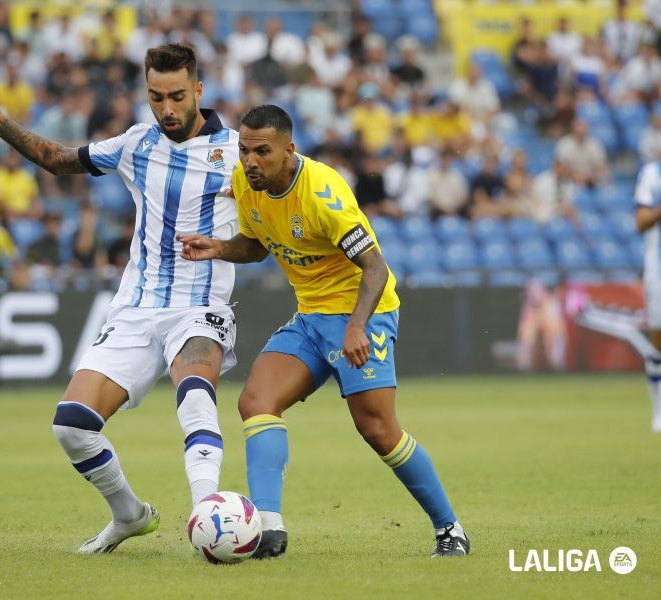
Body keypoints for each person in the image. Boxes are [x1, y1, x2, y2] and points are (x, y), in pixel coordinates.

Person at [0, 43, 240, 553]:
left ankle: (208, 518)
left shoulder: (239, 154)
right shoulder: (137, 144)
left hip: (200, 307)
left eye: (177, 96)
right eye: (156, 97)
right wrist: (0, 122)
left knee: (196, 398)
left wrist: (223, 246)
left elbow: (264, 242)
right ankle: (129, 515)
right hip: (135, 309)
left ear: (198, 89)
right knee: (72, 426)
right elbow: (60, 161)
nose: (167, 109)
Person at [178, 105, 469, 559]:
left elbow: (375, 266)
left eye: (261, 152)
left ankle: (450, 529)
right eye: (243, 150)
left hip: (362, 311)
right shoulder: (246, 183)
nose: (250, 161)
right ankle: (268, 530)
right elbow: (258, 245)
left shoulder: (322, 192)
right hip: (311, 315)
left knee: (377, 428)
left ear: (288, 151)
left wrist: (357, 326)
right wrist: (219, 247)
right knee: (256, 402)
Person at [635, 157, 661, 431]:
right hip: (659, 269)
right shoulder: (653, 174)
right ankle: (658, 411)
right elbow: (640, 222)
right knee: (658, 340)